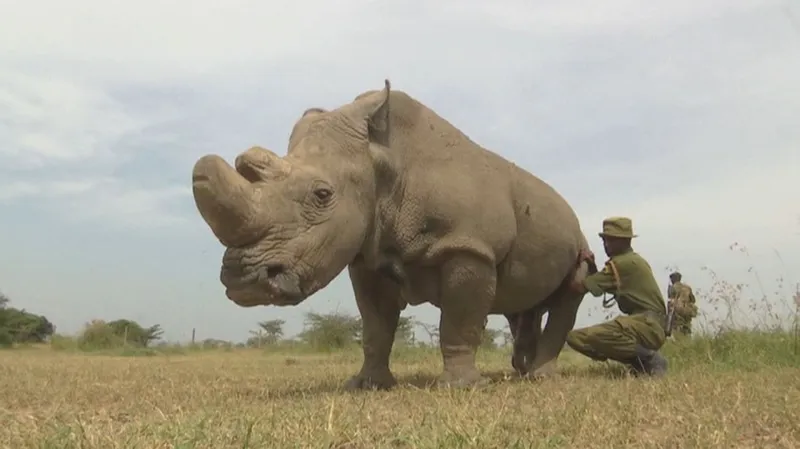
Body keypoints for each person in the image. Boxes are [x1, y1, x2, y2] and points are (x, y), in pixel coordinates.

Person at [565, 217, 668, 377]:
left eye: (612, 240)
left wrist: (574, 266)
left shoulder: (621, 264)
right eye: (605, 240)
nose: (606, 245)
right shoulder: (632, 261)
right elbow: (599, 286)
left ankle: (649, 359)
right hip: (650, 325)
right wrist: (592, 266)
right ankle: (640, 364)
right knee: (578, 338)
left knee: (582, 337)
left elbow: (577, 288)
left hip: (646, 326)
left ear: (625, 241)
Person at [667, 271, 698, 336]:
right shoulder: (687, 287)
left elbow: (670, 301)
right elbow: (693, 300)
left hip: (677, 313)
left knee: (677, 332)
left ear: (673, 279)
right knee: (687, 329)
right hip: (687, 312)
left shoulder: (673, 288)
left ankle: (680, 344)